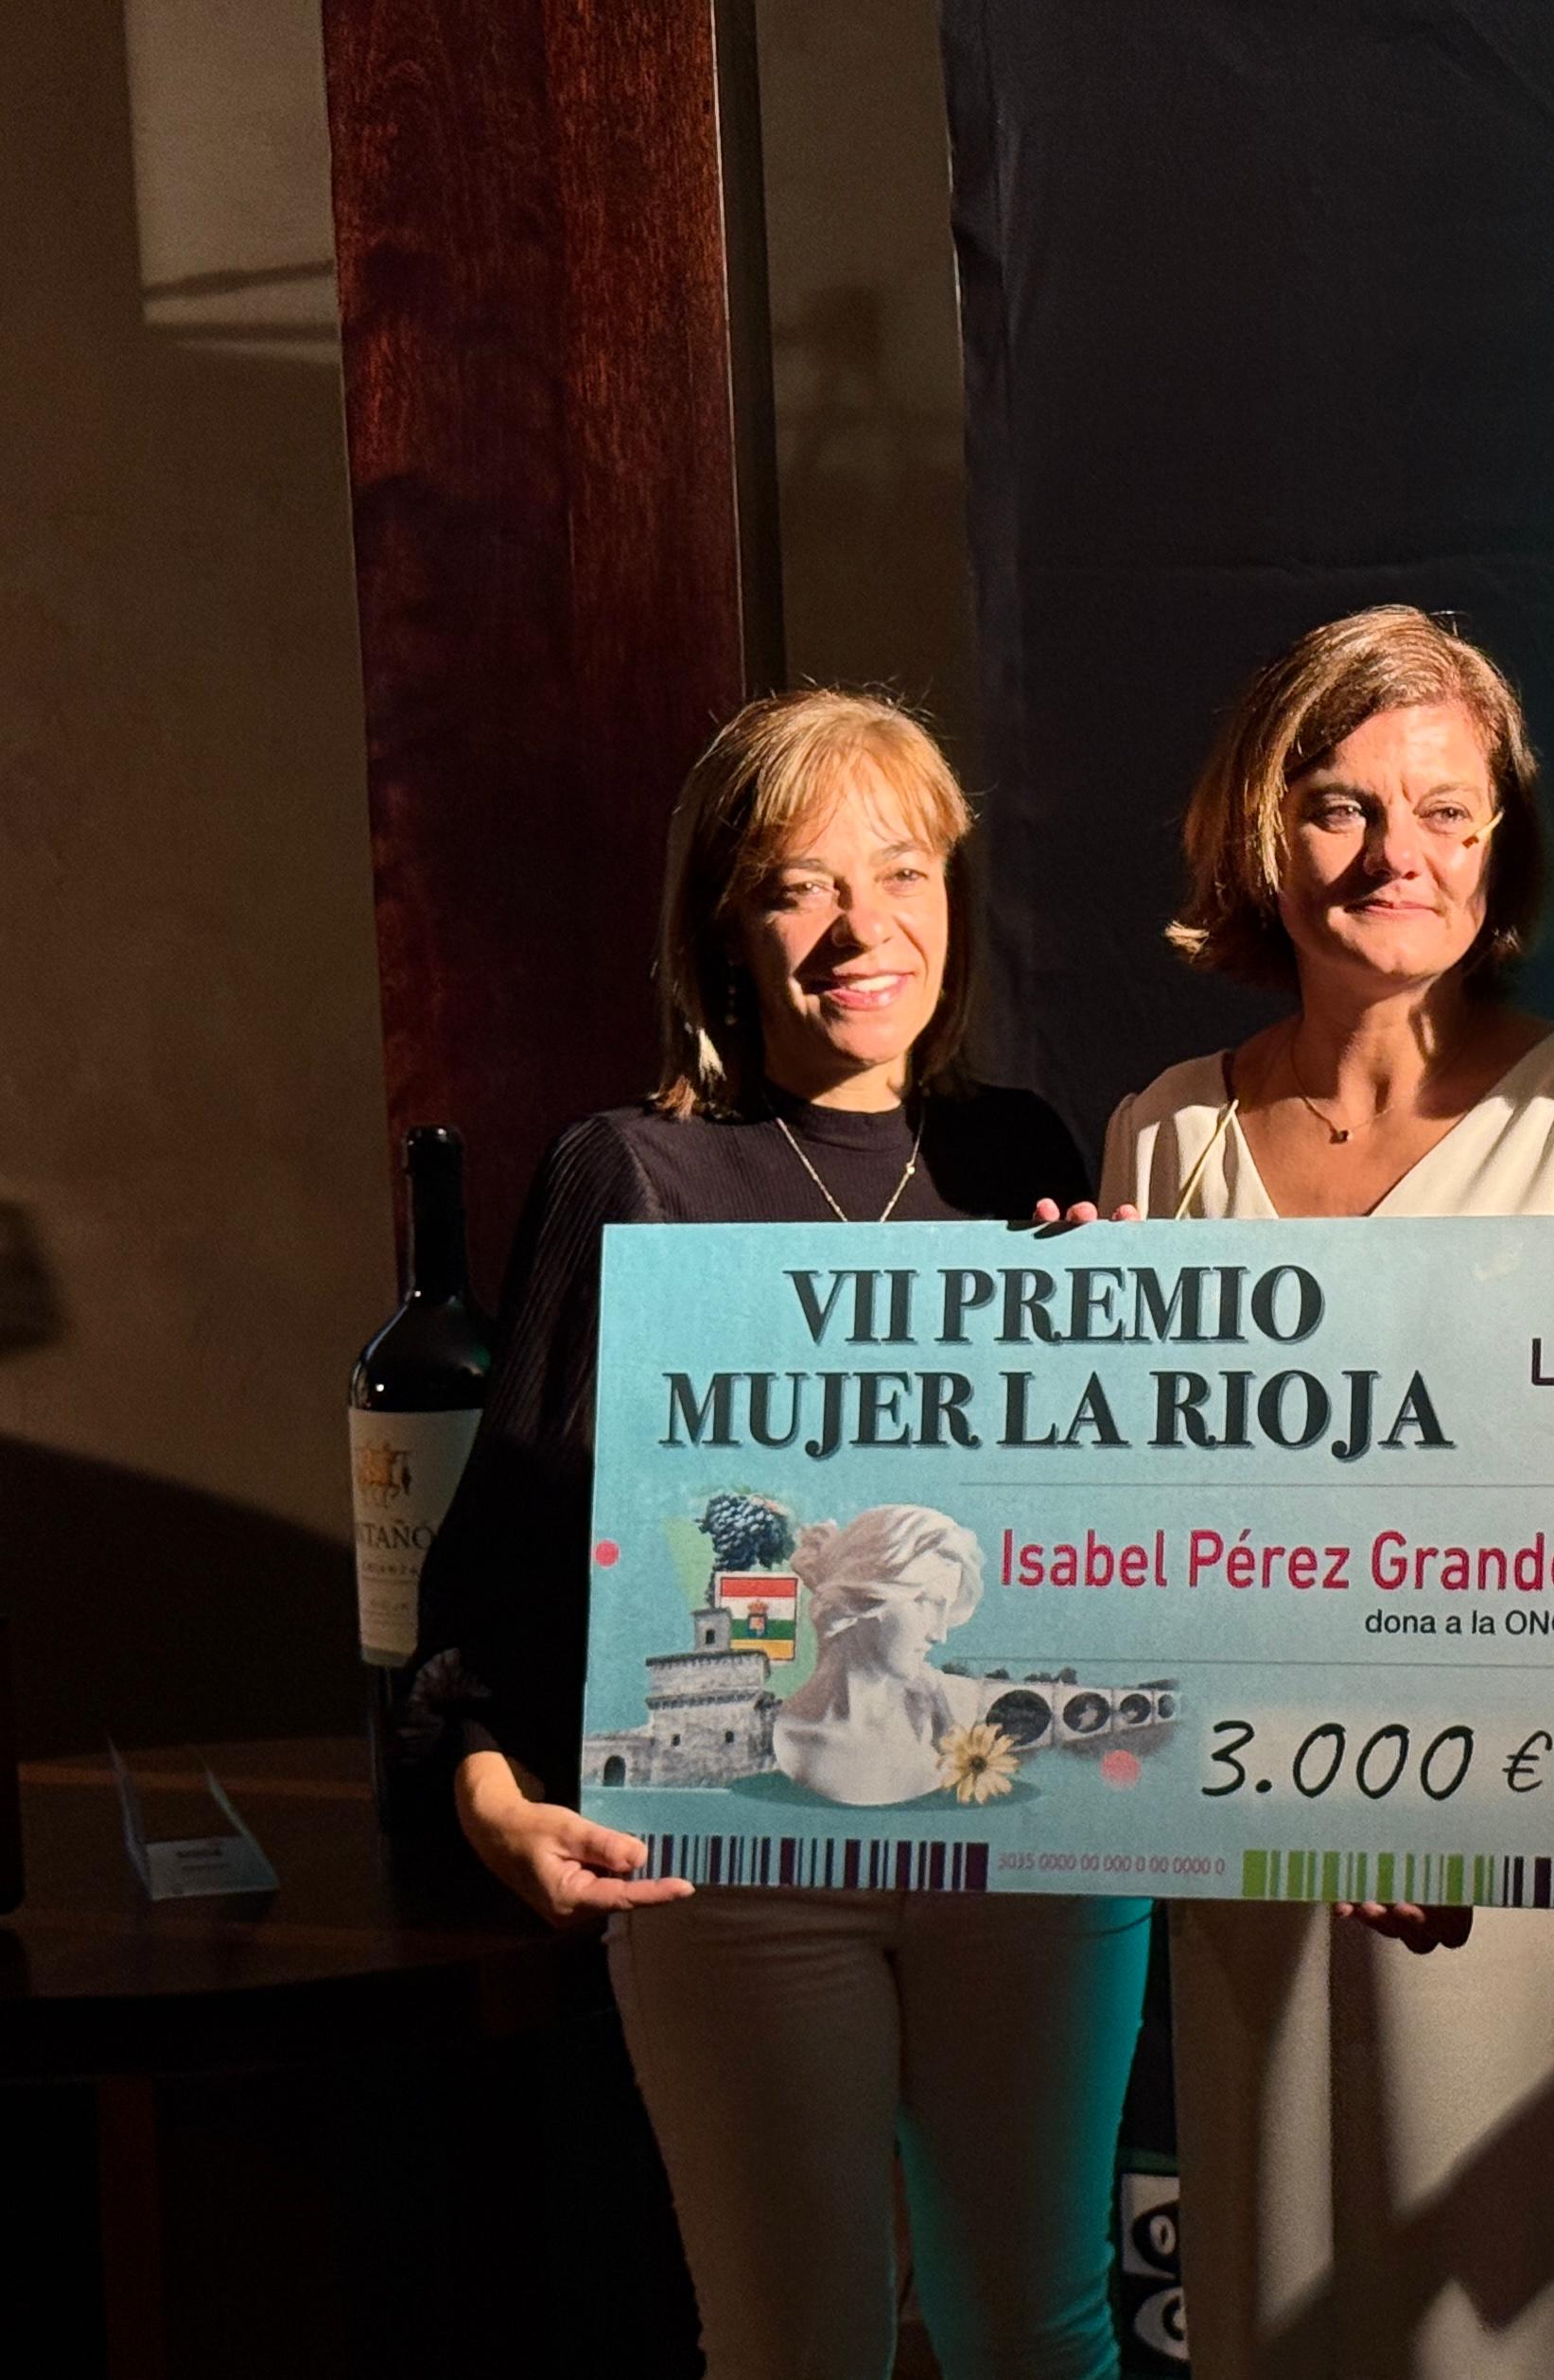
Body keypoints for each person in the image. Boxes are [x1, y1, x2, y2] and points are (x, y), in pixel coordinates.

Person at [408, 690, 1150, 2380]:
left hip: (1023, 1850)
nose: (858, 929)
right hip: (743, 1869)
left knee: (1039, 2333)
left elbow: (1091, 1541)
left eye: (900, 873)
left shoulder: (1022, 1157)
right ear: (722, 935)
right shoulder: (631, 1173)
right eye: (796, 888)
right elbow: (497, 1569)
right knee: (792, 2344)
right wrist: (493, 1800)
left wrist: (1114, 1346)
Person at [1105, 606, 1554, 2380]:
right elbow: (1150, 1545)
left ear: (1500, 845)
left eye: (1447, 811)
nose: (1399, 854)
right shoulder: (1162, 1133)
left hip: (1525, 1865)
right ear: (1261, 833)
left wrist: (1439, 1778)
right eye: (1342, 806)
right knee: (1292, 2292)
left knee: (1524, 2315)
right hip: (1260, 1860)